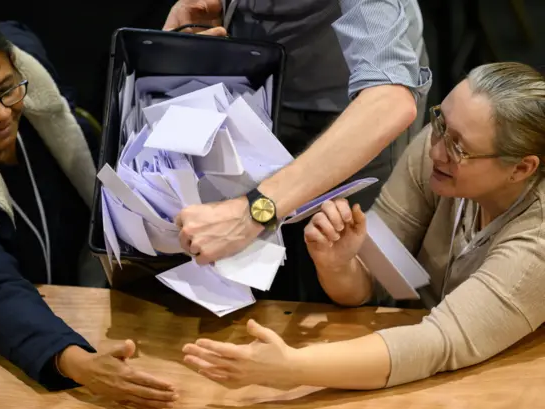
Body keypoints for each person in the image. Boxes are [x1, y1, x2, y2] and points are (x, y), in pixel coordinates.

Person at [181, 62, 545, 389]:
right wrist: (340, 265)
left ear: (521, 168)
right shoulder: (440, 157)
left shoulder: (537, 243)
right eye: (440, 124)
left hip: (493, 385)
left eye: (458, 148)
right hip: (418, 364)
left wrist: (292, 369)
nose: (435, 149)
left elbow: (439, 343)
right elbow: (381, 281)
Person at [0, 11, 177, 409]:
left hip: (90, 298)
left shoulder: (31, 89)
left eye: (6, 89)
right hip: (21, 333)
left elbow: (16, 34)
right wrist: (76, 362)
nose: (1, 113)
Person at [166, 0, 432, 302]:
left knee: (359, 282)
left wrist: (252, 212)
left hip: (356, 109)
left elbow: (391, 101)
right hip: (262, 84)